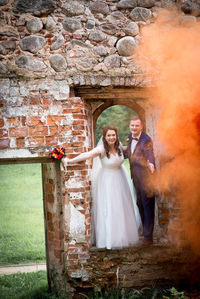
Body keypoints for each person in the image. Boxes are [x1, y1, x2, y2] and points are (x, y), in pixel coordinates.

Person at [62, 125, 140, 250]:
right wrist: (70, 161)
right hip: (108, 182)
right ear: (104, 137)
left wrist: (137, 141)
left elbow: (132, 148)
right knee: (109, 208)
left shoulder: (119, 146)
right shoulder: (101, 149)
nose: (111, 137)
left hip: (120, 180)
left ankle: (122, 236)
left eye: (113, 135)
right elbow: (87, 155)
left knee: (121, 208)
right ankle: (110, 239)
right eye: (109, 135)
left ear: (116, 136)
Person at [124, 116, 156, 246]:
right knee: (140, 204)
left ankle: (148, 238)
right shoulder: (130, 137)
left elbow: (149, 154)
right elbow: (130, 154)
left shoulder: (146, 139)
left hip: (147, 178)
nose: (134, 128)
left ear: (141, 126)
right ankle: (145, 232)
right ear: (129, 126)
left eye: (136, 126)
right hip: (136, 178)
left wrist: (151, 164)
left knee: (147, 205)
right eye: (132, 125)